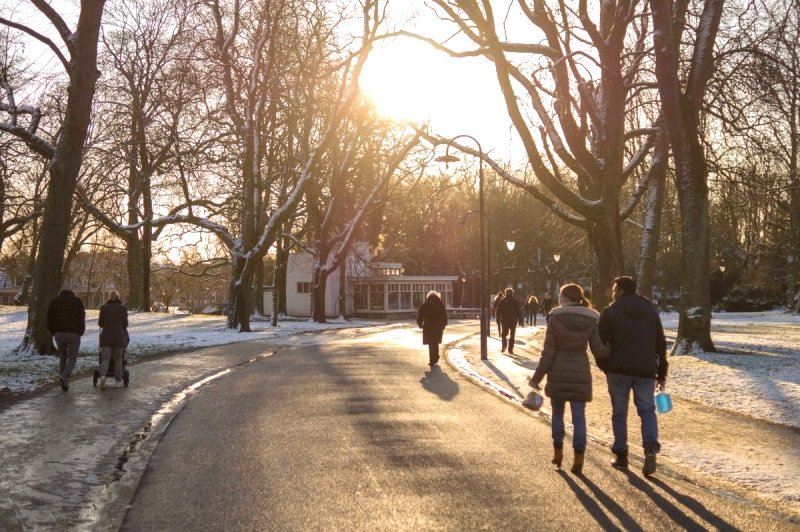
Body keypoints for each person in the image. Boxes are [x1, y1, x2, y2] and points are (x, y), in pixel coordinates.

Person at [529, 284, 609, 474]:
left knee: (557, 414)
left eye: (560, 296)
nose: (558, 299)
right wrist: (615, 348)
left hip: (558, 372)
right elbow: (598, 349)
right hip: (580, 371)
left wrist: (536, 378)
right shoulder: (591, 319)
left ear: (565, 298)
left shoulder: (555, 318)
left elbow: (548, 353)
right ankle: (579, 457)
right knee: (579, 417)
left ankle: (558, 453)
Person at [598, 276, 668, 476]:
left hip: (618, 369)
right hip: (646, 369)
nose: (612, 292)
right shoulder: (650, 311)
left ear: (619, 290)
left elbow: (600, 343)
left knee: (619, 412)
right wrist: (661, 372)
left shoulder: (610, 312)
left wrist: (605, 366)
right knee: (647, 410)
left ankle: (621, 454)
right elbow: (660, 343)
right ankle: (650, 447)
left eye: (614, 288)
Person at [47, 287, 86, 392]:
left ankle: (63, 380)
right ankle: (64, 376)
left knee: (62, 357)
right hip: (74, 334)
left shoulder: (54, 301)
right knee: (72, 358)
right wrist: (81, 331)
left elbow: (49, 317)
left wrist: (53, 331)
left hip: (59, 334)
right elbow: (81, 317)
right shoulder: (77, 301)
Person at [97, 290, 129, 390]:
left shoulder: (104, 308)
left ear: (109, 298)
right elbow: (125, 324)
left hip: (106, 336)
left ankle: (102, 376)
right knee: (118, 359)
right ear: (118, 297)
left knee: (105, 359)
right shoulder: (122, 308)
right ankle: (118, 379)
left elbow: (100, 323)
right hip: (118, 337)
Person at [416, 290, 448, 366]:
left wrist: (420, 324)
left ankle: (432, 360)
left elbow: (420, 314)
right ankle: (436, 356)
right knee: (436, 342)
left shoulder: (426, 304)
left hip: (428, 327)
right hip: (438, 326)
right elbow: (444, 315)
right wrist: (444, 325)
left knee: (431, 343)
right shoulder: (441, 304)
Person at [495, 287, 523, 354]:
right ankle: (510, 349)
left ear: (505, 293)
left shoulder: (502, 301)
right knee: (512, 335)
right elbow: (518, 311)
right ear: (512, 293)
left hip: (505, 320)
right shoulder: (515, 301)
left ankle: (504, 345)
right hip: (513, 320)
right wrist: (520, 320)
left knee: (504, 334)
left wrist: (498, 320)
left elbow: (498, 312)